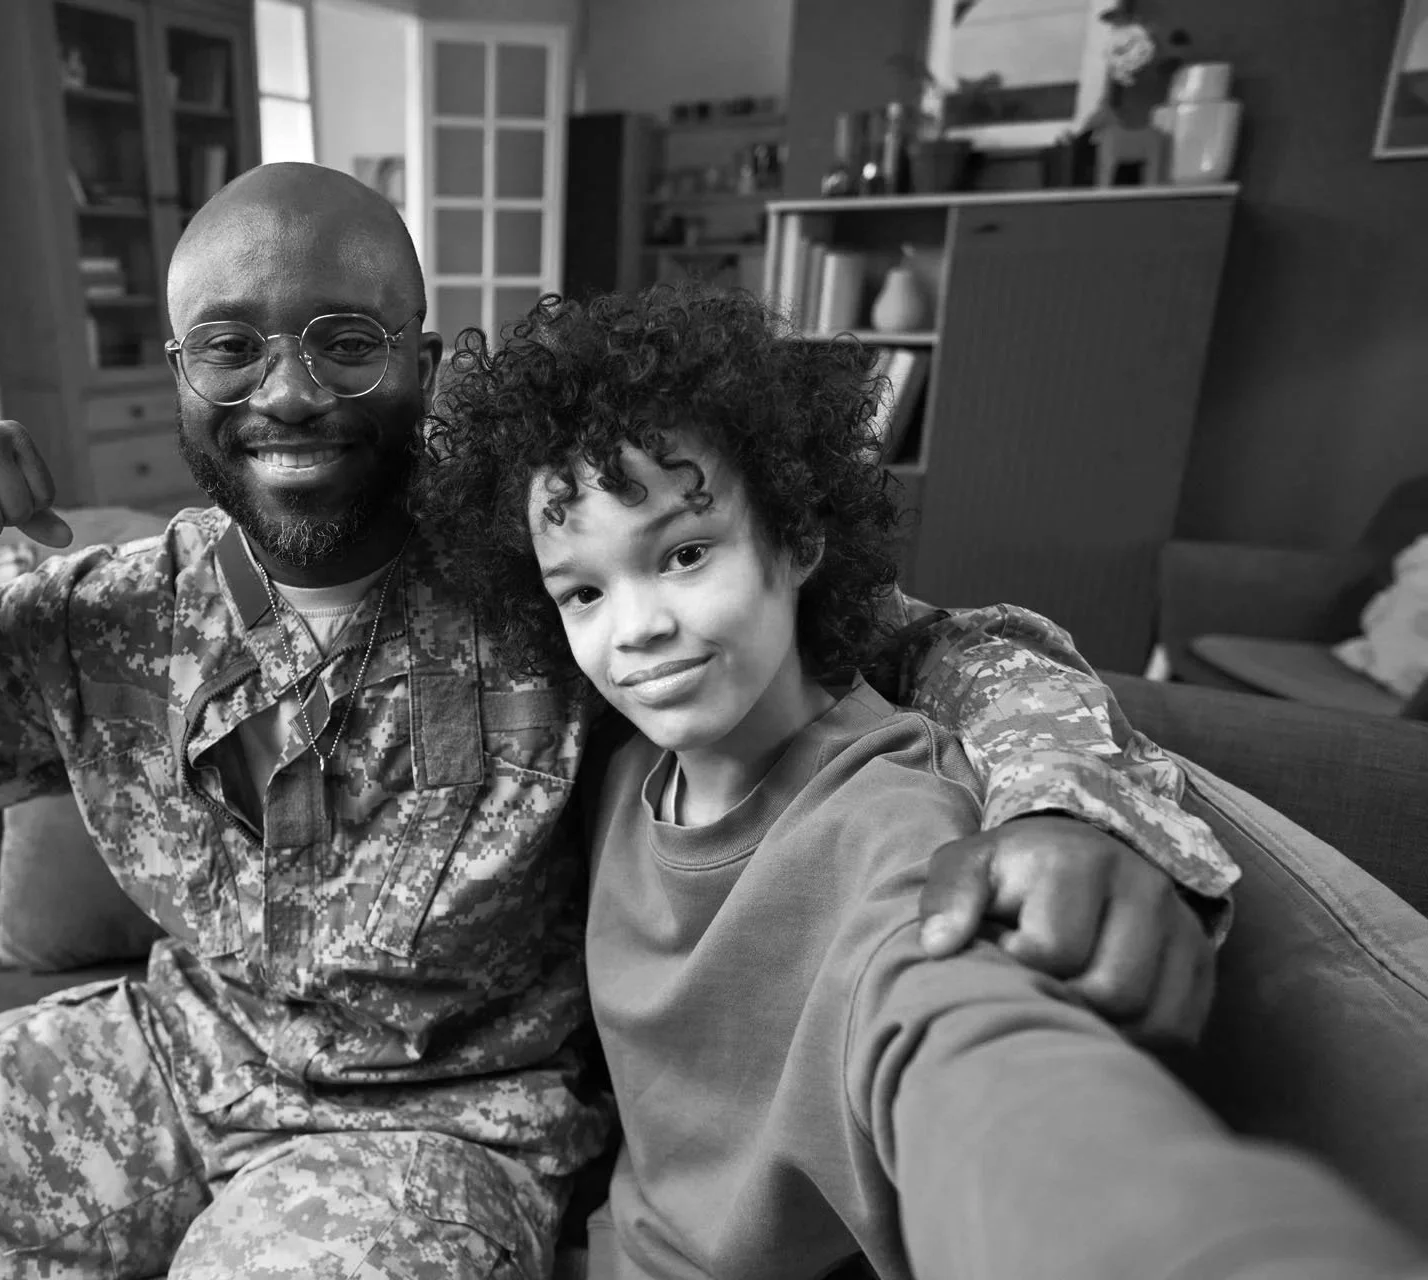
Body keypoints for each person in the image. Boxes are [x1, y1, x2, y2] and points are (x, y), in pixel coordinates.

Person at [0, 165, 1235, 1279]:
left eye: (346, 339)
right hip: (166, 1063)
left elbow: (940, 649)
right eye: (233, 344)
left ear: (424, 363)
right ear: (180, 376)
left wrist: (1066, 807)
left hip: (441, 1134)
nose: (286, 389)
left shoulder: (555, 576)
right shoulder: (104, 619)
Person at [418, 281, 1424, 1280]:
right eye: (584, 589)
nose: (635, 625)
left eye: (685, 553)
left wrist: (1184, 1234)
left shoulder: (892, 812)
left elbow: (970, 1044)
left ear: (798, 535)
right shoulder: (617, 763)